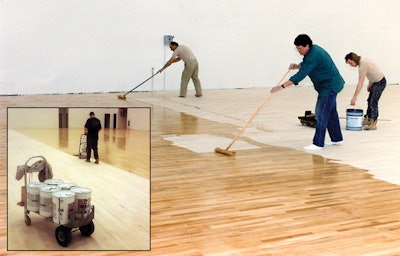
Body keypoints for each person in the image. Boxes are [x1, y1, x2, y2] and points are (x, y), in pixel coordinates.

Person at [271, 34, 345, 150]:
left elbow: (301, 75)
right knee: (330, 112)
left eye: (300, 48)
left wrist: (282, 86)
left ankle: (318, 143)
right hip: (331, 84)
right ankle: (337, 138)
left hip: (329, 85)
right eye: (297, 48)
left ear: (307, 46)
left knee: (320, 113)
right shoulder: (312, 51)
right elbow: (307, 65)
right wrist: (297, 66)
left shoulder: (313, 55)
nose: (298, 51)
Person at [344, 52, 386, 130]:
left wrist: (354, 97)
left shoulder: (362, 66)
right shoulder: (363, 61)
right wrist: (370, 83)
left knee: (373, 102)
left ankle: (373, 122)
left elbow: (360, 83)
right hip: (375, 82)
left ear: (354, 59)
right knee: (370, 100)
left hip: (380, 82)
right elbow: (371, 72)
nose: (351, 65)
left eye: (350, 63)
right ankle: (368, 118)